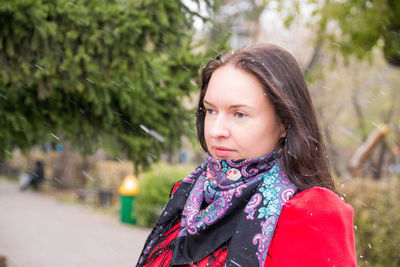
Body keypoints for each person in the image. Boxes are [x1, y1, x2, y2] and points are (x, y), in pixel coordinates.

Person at [137, 43, 356, 267]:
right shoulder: (190, 196)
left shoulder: (311, 214)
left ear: (284, 123)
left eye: (239, 114)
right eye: (211, 110)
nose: (215, 131)